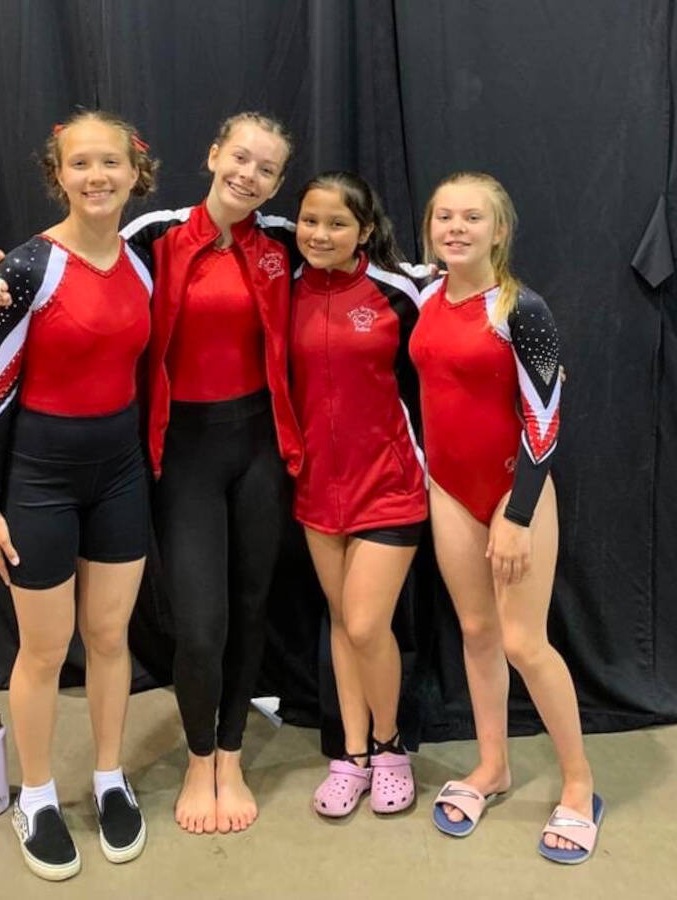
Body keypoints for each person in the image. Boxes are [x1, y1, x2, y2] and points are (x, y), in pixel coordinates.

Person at [0, 112, 303, 836]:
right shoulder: (150, 238)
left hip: (243, 453)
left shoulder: (282, 242)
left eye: (267, 169)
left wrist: (448, 274)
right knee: (190, 624)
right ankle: (133, 773)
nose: (249, 175)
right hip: (161, 453)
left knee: (224, 613)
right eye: (239, 157)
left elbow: (352, 254)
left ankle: (214, 758)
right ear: (213, 155)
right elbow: (55, 280)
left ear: (278, 183)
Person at [0, 110, 156, 879]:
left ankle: (110, 779)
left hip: (119, 473)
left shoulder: (146, 260)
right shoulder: (24, 269)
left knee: (111, 638)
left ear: (135, 170)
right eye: (80, 164)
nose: (97, 177)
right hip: (39, 479)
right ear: (59, 175)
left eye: (109, 162)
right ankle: (39, 797)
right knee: (46, 650)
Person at [409, 171, 602, 863]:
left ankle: (579, 785)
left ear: (499, 231)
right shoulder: (425, 292)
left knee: (524, 642)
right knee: (475, 629)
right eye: (444, 216)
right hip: (450, 491)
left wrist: (517, 515)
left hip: (512, 493)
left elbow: (544, 421)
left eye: (472, 218)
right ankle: (493, 766)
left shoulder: (522, 309)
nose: (456, 227)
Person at [289, 173, 428, 817]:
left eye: (337, 224)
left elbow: (469, 313)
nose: (320, 235)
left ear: (364, 232)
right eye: (310, 220)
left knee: (369, 622)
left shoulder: (399, 292)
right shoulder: (283, 288)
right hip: (315, 488)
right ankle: (350, 755)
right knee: (344, 621)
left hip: (390, 484)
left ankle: (390, 745)